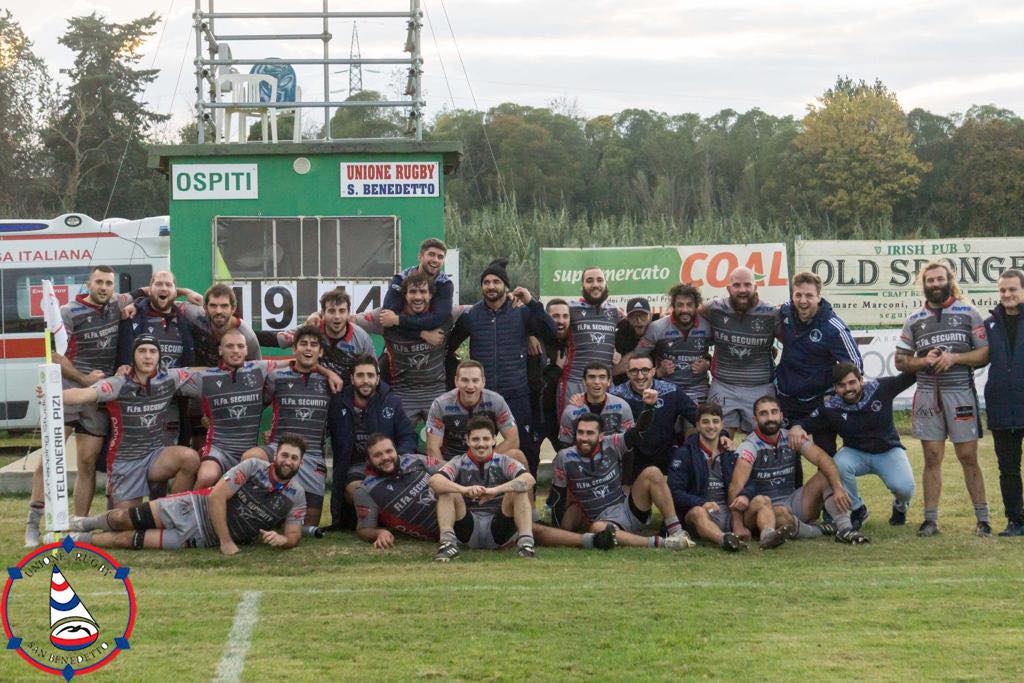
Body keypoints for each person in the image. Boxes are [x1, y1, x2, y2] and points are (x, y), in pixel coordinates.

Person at [356, 435, 617, 552]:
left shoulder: (414, 460)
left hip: (474, 508)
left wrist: (491, 488)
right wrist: (379, 532)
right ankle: (447, 545)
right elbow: (363, 528)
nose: (387, 458)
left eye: (389, 451)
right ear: (370, 460)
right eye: (378, 455)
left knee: (530, 527)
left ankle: (587, 541)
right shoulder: (367, 490)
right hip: (452, 525)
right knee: (446, 491)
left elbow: (449, 471)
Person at [26, 266, 135, 546]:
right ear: (88, 283)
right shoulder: (68, 311)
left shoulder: (118, 303)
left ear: (114, 286)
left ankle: (78, 526)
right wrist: (83, 378)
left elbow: (147, 293)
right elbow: (54, 354)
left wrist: (185, 293)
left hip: (96, 400)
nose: (103, 287)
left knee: (86, 463)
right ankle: (33, 524)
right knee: (49, 459)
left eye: (108, 283)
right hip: (66, 392)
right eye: (98, 281)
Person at [69, 435, 308, 554]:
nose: (288, 461)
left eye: (294, 458)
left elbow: (294, 535)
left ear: (301, 463)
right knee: (123, 518)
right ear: (276, 456)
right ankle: (83, 523)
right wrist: (226, 542)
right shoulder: (253, 467)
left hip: (201, 538)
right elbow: (216, 497)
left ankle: (75, 542)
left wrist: (283, 541)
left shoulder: (296, 495)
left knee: (127, 540)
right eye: (284, 455)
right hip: (191, 507)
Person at [895, 261, 991, 537]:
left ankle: (983, 519)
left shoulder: (968, 313)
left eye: (939, 279)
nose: (935, 284)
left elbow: (984, 353)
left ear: (949, 280)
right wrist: (924, 360)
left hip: (960, 392)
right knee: (932, 456)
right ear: (923, 284)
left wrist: (955, 358)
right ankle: (930, 520)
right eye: (930, 280)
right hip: (927, 395)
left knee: (968, 456)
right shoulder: (914, 319)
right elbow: (900, 361)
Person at [54, 335, 199, 510]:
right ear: (133, 356)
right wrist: (53, 394)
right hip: (125, 463)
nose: (147, 356)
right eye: (142, 351)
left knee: (189, 458)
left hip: (155, 458)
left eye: (153, 351)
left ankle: (171, 513)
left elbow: (201, 373)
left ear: (159, 356)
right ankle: (87, 524)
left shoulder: (169, 377)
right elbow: (84, 394)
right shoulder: (119, 383)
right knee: (123, 522)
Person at [448, 258, 556, 477]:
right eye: (486, 282)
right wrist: (460, 372)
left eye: (496, 281)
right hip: (482, 397)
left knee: (524, 450)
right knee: (476, 447)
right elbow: (448, 347)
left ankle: (526, 497)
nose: (490, 286)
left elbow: (550, 332)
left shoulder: (522, 312)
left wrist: (532, 304)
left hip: (516, 394)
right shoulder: (471, 316)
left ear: (505, 285)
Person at [549, 390, 696, 550]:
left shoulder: (611, 443)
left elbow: (638, 431)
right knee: (597, 529)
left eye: (590, 433)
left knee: (652, 472)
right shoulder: (564, 458)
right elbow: (558, 495)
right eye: (580, 433)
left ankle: (677, 531)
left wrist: (649, 407)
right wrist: (557, 532)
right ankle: (662, 543)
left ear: (600, 436)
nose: (584, 438)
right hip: (604, 522)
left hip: (629, 509)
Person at [729, 396, 866, 548]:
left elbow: (823, 459)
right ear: (755, 419)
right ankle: (816, 530)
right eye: (763, 413)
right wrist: (737, 524)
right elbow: (736, 486)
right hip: (761, 509)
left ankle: (845, 529)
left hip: (792, 502)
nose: (770, 418)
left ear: (781, 415)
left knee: (826, 475)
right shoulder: (749, 446)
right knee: (765, 503)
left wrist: (838, 487)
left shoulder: (790, 437)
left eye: (774, 412)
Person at [791, 362, 916, 529]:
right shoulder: (830, 407)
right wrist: (797, 427)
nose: (848, 388)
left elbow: (908, 377)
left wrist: (924, 360)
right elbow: (808, 422)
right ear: (835, 388)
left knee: (905, 488)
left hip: (888, 450)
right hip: (856, 453)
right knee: (836, 465)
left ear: (861, 380)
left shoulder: (880, 388)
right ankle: (858, 509)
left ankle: (900, 507)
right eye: (842, 385)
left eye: (852, 383)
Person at [242, 325, 337, 527]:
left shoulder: (331, 382)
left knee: (308, 526)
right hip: (277, 448)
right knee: (251, 457)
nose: (308, 348)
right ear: (294, 348)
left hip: (312, 456)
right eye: (303, 344)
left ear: (320, 351)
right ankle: (251, 513)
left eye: (313, 344)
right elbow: (254, 408)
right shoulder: (277, 377)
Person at [177, 329, 280, 489]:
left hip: (249, 450)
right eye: (230, 346)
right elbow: (169, 377)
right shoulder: (205, 376)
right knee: (206, 476)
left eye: (240, 346)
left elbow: (295, 363)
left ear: (246, 350)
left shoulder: (260, 369)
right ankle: (195, 511)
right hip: (218, 450)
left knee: (256, 486)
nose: (235, 351)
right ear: (220, 350)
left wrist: (326, 372)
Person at [775, 271, 861, 456]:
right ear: (792, 295)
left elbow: (855, 365)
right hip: (787, 399)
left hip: (819, 401)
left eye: (809, 295)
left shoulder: (833, 327)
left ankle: (832, 486)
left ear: (819, 297)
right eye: (798, 295)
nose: (803, 301)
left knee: (826, 454)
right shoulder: (785, 311)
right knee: (787, 455)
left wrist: (835, 394)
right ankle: (794, 487)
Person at [327, 355, 418, 529]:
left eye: (370, 375)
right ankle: (374, 524)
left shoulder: (392, 402)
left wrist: (396, 460)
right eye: (360, 376)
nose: (365, 381)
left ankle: (393, 522)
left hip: (386, 465)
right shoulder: (337, 402)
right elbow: (323, 430)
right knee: (358, 490)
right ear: (352, 379)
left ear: (377, 378)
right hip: (355, 467)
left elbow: (408, 436)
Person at [429, 416, 537, 560]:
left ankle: (526, 546)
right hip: (468, 527)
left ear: (493, 440)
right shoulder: (458, 462)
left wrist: (495, 491)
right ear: (467, 441)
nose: (481, 444)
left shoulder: (504, 461)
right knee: (447, 490)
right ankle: (448, 545)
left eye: (486, 439)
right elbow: (434, 481)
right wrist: (464, 490)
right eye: (475, 439)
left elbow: (529, 480)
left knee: (518, 489)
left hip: (499, 527)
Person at [354, 271, 457, 422]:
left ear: (430, 295)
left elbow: (473, 310)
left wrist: (505, 299)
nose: (418, 297)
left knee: (443, 443)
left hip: (436, 392)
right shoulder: (385, 317)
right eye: (412, 292)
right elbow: (351, 320)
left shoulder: (447, 315)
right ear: (404, 295)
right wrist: (319, 316)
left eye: (423, 292)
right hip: (403, 393)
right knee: (397, 441)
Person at [702, 267, 780, 433]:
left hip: (760, 387)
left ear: (756, 287)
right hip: (723, 386)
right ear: (728, 288)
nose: (742, 290)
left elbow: (793, 342)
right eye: (737, 285)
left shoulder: (771, 313)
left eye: (747, 284)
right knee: (715, 439)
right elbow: (688, 317)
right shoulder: (713, 308)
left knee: (765, 441)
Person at [667, 402, 749, 551]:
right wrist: (702, 502)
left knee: (763, 501)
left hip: (731, 512)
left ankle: (768, 534)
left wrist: (744, 496)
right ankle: (724, 540)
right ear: (697, 426)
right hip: (701, 514)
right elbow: (674, 492)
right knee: (698, 512)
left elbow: (749, 481)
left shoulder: (731, 451)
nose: (711, 426)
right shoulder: (684, 453)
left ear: (722, 425)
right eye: (705, 422)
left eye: (715, 421)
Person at [610, 352, 697, 480]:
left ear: (653, 371)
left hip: (666, 455)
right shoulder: (615, 396)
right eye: (634, 371)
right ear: (627, 373)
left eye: (645, 370)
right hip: (631, 459)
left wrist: (722, 435)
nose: (640, 376)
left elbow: (697, 417)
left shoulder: (671, 391)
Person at [983, 268, 1024, 536]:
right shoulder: (989, 325)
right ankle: (1015, 521)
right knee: (1008, 469)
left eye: (1013, 289)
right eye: (1002, 290)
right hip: (1002, 408)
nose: (1007, 294)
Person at [557, 267, 623, 417]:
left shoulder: (614, 312)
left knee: (605, 431)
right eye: (589, 280)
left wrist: (618, 352)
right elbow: (549, 327)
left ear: (606, 284)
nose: (595, 285)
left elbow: (634, 333)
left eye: (599, 280)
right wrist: (531, 337)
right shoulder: (570, 308)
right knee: (571, 430)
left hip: (604, 383)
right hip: (574, 382)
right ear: (582, 285)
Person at [426, 360, 519, 461]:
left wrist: (485, 461)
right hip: (452, 462)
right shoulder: (440, 405)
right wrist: (446, 472)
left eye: (475, 380)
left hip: (487, 459)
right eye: (465, 380)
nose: (470, 386)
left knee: (517, 455)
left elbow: (513, 440)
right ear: (456, 381)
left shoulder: (497, 401)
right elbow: (432, 448)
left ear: (483, 382)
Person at [638, 283, 712, 405]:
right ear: (673, 306)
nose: (684, 310)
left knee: (697, 424)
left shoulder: (708, 326)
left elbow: (725, 351)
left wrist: (708, 364)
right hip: (666, 388)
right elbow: (638, 358)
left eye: (689, 305)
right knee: (665, 423)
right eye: (680, 305)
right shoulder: (657, 327)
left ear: (696, 307)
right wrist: (658, 372)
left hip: (698, 390)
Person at [296, 288, 375, 382]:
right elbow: (278, 339)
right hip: (314, 389)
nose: (337, 317)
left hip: (347, 391)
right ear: (323, 313)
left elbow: (373, 371)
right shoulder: (310, 328)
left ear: (348, 314)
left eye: (342, 311)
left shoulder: (362, 338)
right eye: (331, 311)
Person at [381, 237, 453, 333]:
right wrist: (422, 334)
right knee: (369, 317)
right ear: (420, 257)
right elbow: (388, 318)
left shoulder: (445, 284)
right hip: (400, 340)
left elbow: (438, 320)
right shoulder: (400, 279)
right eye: (431, 255)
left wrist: (399, 320)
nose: (435, 260)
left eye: (440, 257)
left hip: (432, 339)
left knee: (458, 313)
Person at [558, 362, 634, 447]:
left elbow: (628, 440)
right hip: (581, 458)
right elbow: (565, 445)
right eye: (591, 377)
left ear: (609, 381)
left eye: (602, 377)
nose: (597, 382)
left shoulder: (622, 407)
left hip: (613, 457)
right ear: (584, 381)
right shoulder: (571, 411)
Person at [536, 298, 571, 451]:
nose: (561, 321)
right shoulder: (537, 342)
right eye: (555, 316)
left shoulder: (575, 342)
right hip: (540, 413)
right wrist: (557, 368)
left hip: (566, 411)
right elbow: (537, 382)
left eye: (565, 316)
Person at [612, 297, 653, 384]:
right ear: (627, 318)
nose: (638, 320)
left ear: (650, 316)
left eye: (643, 316)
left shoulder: (658, 329)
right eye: (633, 316)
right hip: (624, 382)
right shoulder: (621, 331)